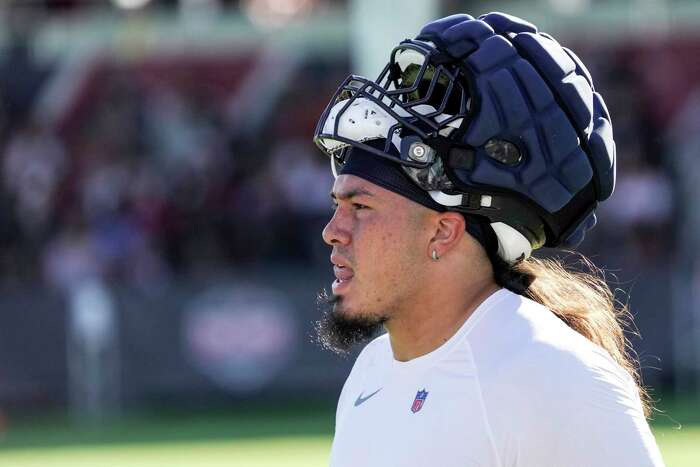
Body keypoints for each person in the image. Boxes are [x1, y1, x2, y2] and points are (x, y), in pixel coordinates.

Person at [312, 12, 665, 467]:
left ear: (443, 230)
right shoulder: (373, 371)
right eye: (337, 204)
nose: (332, 231)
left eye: (361, 207)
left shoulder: (550, 374)